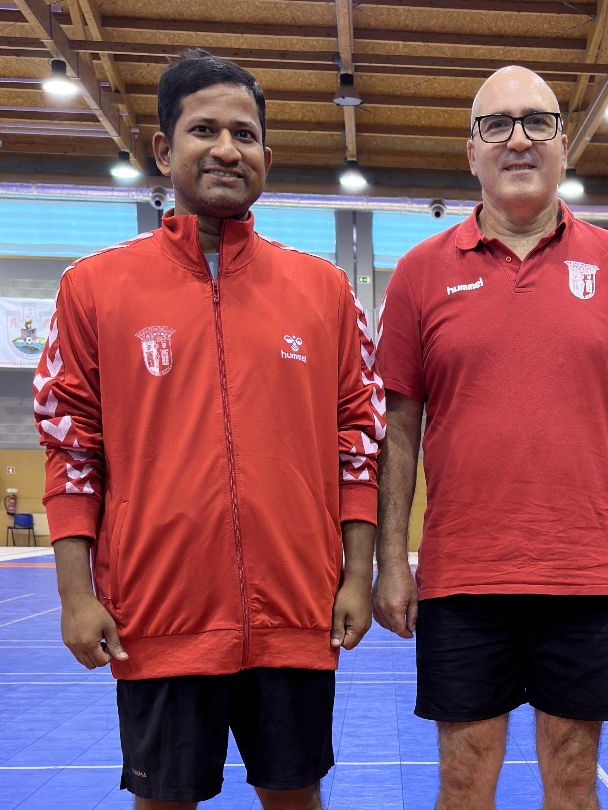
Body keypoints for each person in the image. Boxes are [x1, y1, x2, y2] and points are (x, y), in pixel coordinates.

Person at [34, 49, 384, 809]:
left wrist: (357, 574)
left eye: (245, 134)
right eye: (204, 130)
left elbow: (358, 439)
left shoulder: (324, 290)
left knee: (295, 798)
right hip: (156, 615)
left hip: (297, 611)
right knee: (165, 803)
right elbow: (70, 446)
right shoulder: (93, 287)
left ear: (266, 154)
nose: (227, 148)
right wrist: (74, 594)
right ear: (163, 149)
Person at [372, 65, 608, 810]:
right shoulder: (419, 272)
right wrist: (390, 559)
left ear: (564, 144)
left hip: (584, 574)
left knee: (573, 782)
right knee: (463, 779)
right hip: (463, 577)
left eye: (537, 123)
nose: (518, 140)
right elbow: (399, 428)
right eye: (497, 125)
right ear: (470, 151)